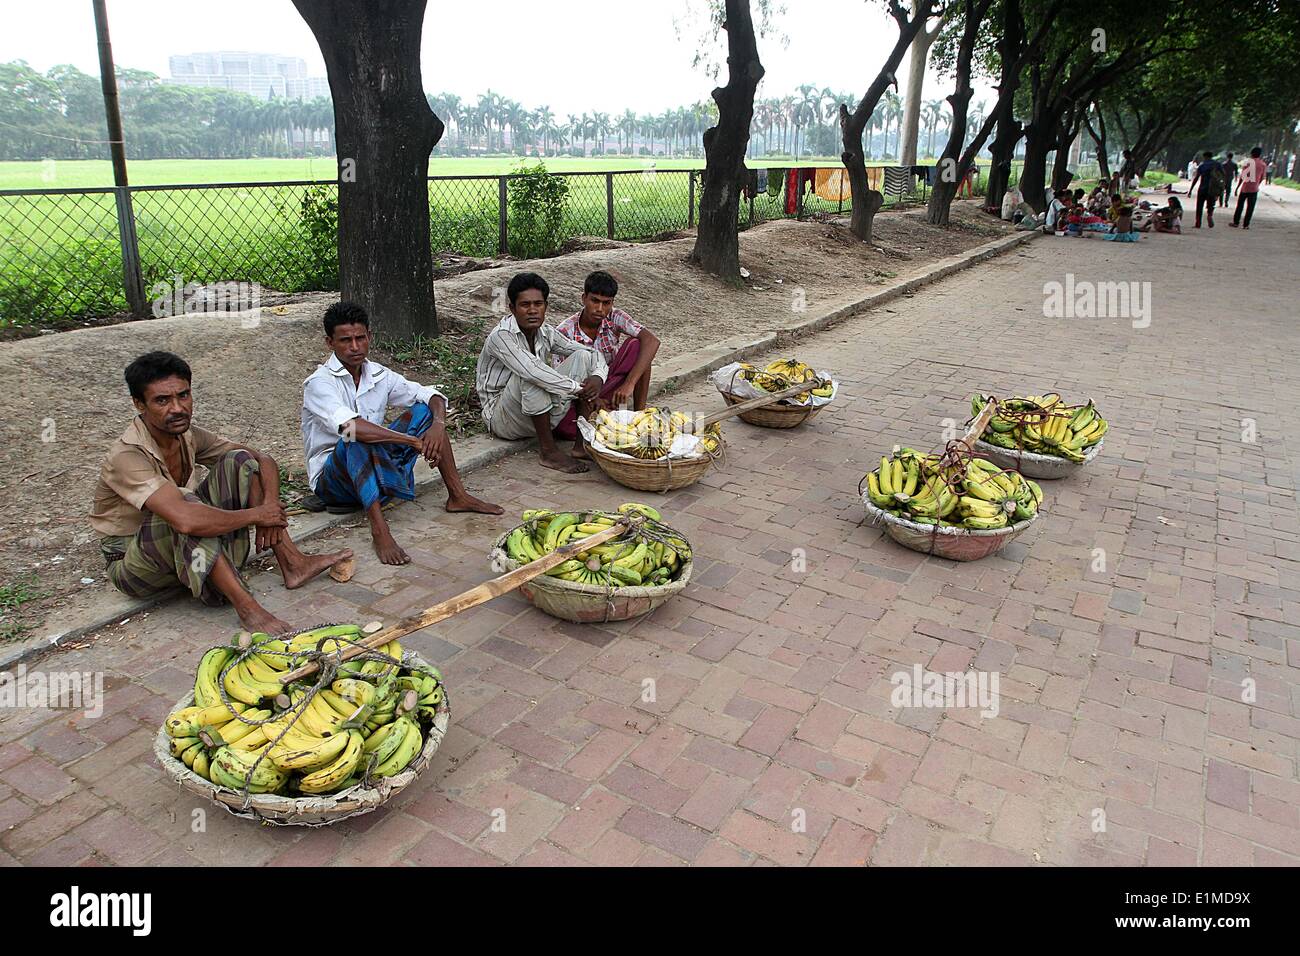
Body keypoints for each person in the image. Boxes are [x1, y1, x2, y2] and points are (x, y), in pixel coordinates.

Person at [91, 352, 352, 634]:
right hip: (135, 567)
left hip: (184, 547)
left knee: (240, 461)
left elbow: (262, 460)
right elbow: (186, 520)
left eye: (184, 395)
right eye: (162, 401)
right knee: (185, 507)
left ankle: (293, 562)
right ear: (139, 404)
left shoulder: (186, 434)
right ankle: (248, 609)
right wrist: (257, 515)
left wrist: (270, 509)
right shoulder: (127, 454)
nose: (178, 408)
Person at [301, 301, 501, 567]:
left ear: (369, 336)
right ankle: (380, 530)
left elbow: (430, 394)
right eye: (345, 340)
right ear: (330, 343)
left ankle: (458, 496)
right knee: (353, 437)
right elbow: (350, 427)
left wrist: (438, 426)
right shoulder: (319, 383)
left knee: (426, 412)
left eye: (360, 338)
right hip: (334, 482)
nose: (355, 347)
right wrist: (411, 441)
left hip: (374, 464)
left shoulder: (379, 374)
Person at [476, 272, 607, 474]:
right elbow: (531, 371)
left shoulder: (545, 332)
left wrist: (597, 377)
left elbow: (590, 353)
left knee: (582, 356)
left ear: (546, 306)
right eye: (525, 305)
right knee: (532, 373)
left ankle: (580, 446)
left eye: (538, 304)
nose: (532, 311)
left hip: (533, 411)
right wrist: (576, 388)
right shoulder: (501, 336)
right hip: (502, 419)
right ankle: (548, 452)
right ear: (512, 308)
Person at [552, 270, 661, 440]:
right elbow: (561, 382)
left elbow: (652, 341)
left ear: (612, 303)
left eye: (606, 303)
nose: (600, 309)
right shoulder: (565, 331)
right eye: (595, 301)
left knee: (639, 346)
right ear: (584, 299)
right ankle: (606, 417)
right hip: (582, 394)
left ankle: (639, 416)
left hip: (609, 383)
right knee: (562, 426)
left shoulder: (614, 316)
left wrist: (629, 384)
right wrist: (592, 398)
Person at [1230, 146, 1267, 230]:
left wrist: (1238, 187)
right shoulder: (1263, 164)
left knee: (1240, 206)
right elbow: (1262, 177)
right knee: (1250, 207)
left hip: (1245, 188)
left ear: (1252, 154)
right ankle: (1246, 225)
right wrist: (1257, 184)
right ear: (1259, 154)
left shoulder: (1248, 163)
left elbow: (1243, 176)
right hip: (1254, 189)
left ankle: (1236, 222)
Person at [1187, 151, 1223, 227]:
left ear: (1205, 157)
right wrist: (1221, 187)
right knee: (1211, 205)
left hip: (1203, 188)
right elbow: (1223, 175)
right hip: (1213, 189)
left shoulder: (1202, 165)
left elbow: (1196, 178)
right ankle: (1209, 215)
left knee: (1199, 206)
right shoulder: (1217, 164)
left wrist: (1190, 190)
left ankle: (1198, 223)